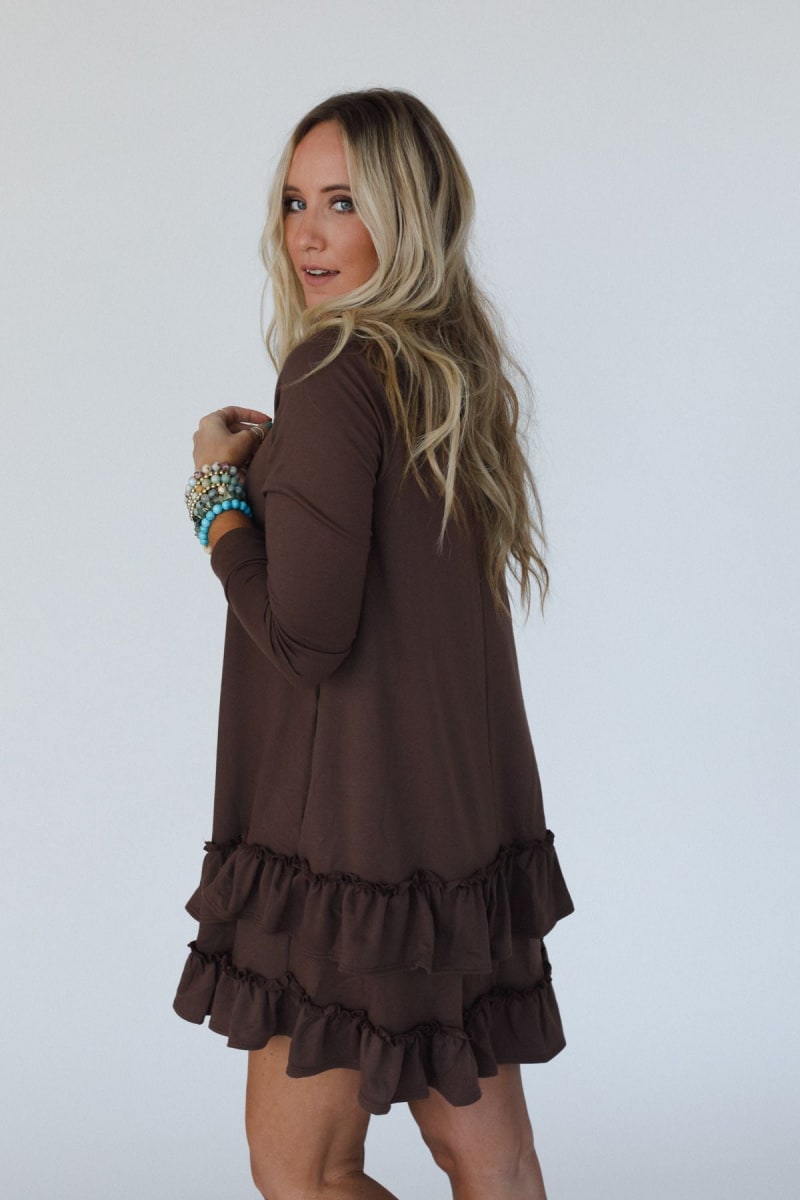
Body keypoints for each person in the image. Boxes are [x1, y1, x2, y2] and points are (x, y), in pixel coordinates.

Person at [174, 88, 574, 1200]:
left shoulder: (333, 369)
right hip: (453, 830)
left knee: (301, 1169)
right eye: (294, 201)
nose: (307, 232)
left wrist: (215, 498)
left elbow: (305, 639)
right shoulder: (448, 368)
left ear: (406, 214)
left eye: (343, 202)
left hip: (350, 838)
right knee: (491, 1160)